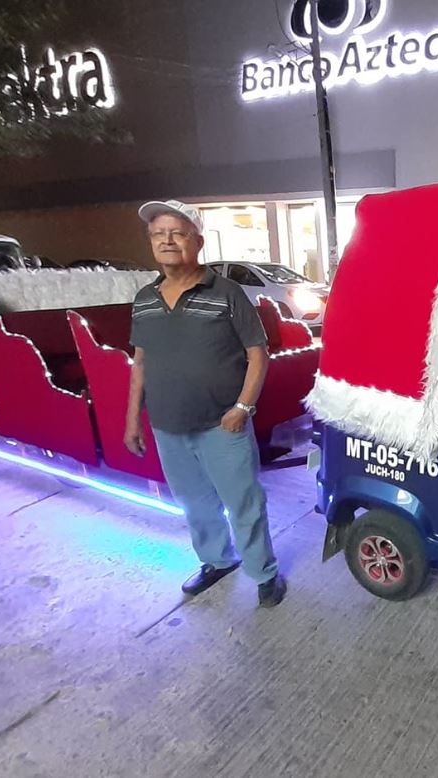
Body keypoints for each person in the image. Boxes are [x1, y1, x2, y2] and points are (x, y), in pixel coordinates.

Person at [124, 199, 286, 606]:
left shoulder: (227, 293)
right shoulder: (144, 298)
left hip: (222, 425)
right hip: (167, 425)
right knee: (195, 504)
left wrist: (243, 409)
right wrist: (132, 421)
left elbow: (257, 354)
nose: (167, 241)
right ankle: (217, 561)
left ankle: (263, 573)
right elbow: (140, 363)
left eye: (177, 233)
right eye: (158, 234)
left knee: (244, 502)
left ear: (197, 241)